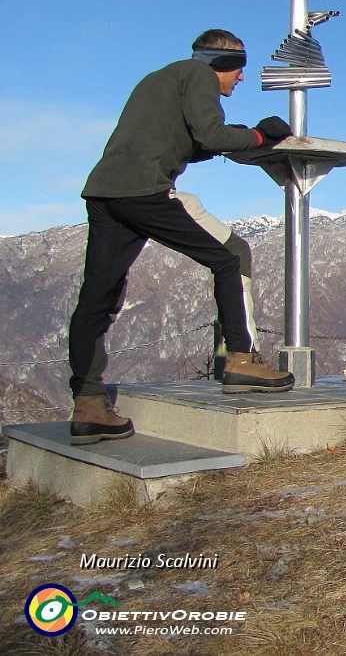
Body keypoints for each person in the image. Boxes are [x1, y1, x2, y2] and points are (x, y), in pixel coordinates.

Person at [67, 29, 296, 446]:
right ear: (221, 63)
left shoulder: (161, 78)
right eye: (238, 69)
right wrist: (261, 136)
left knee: (97, 296)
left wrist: (239, 139)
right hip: (144, 192)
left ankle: (88, 405)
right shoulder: (199, 77)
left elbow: (191, 143)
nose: (240, 78)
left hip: (104, 193)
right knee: (230, 255)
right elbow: (212, 134)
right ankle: (241, 361)